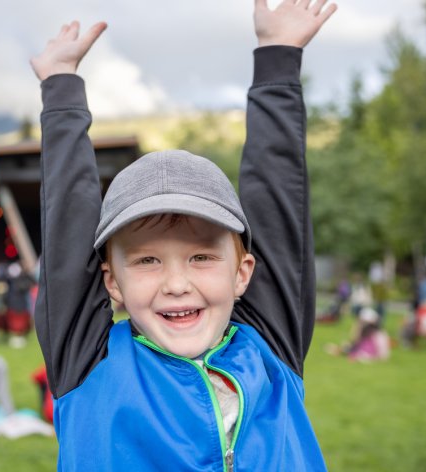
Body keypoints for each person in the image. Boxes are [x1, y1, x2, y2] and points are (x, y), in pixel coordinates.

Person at [31, 1, 336, 470]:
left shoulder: (269, 349)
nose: (177, 283)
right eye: (148, 260)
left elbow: (277, 205)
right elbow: (68, 222)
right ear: (112, 282)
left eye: (201, 257)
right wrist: (61, 88)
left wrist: (278, 57)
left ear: (243, 272)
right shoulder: (89, 366)